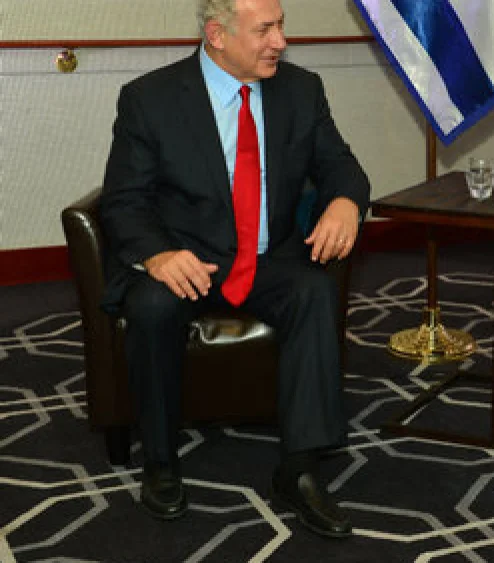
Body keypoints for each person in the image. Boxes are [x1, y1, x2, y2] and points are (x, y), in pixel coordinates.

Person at [99, 0, 370, 538]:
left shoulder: (300, 89)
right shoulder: (150, 99)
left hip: (268, 260)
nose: (281, 42)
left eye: (281, 26)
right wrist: (157, 255)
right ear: (218, 35)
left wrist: (345, 202)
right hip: (187, 259)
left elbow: (340, 165)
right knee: (151, 305)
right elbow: (123, 201)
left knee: (314, 291)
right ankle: (159, 461)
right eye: (265, 30)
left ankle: (299, 467)